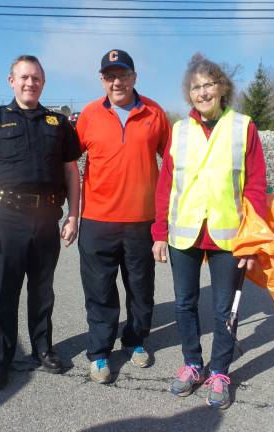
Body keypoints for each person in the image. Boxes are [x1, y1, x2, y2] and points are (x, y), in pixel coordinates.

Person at [152, 53, 267, 409]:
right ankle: (192, 364)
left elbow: (256, 189)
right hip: (183, 235)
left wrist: (252, 240)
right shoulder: (180, 129)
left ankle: (219, 371)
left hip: (228, 235)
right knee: (185, 304)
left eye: (209, 84)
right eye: (195, 86)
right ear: (189, 93)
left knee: (223, 310)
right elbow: (166, 184)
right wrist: (159, 232)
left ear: (222, 88)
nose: (202, 92)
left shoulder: (243, 126)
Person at [0, 55, 81, 391]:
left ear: (43, 83)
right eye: (24, 77)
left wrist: (73, 215)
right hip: (6, 219)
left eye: (37, 78)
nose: (30, 83)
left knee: (42, 290)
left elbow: (72, 172)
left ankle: (42, 349)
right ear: (11, 80)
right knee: (4, 292)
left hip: (46, 218)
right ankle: (0, 359)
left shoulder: (58, 123)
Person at [76, 49, 171, 384]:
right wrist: (72, 213)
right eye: (109, 76)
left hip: (141, 222)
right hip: (97, 221)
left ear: (134, 77)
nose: (116, 81)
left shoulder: (155, 113)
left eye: (123, 74)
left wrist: (166, 218)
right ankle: (99, 353)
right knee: (100, 290)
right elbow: (67, 162)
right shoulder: (88, 115)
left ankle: (135, 340)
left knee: (141, 289)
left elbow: (173, 164)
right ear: (102, 80)